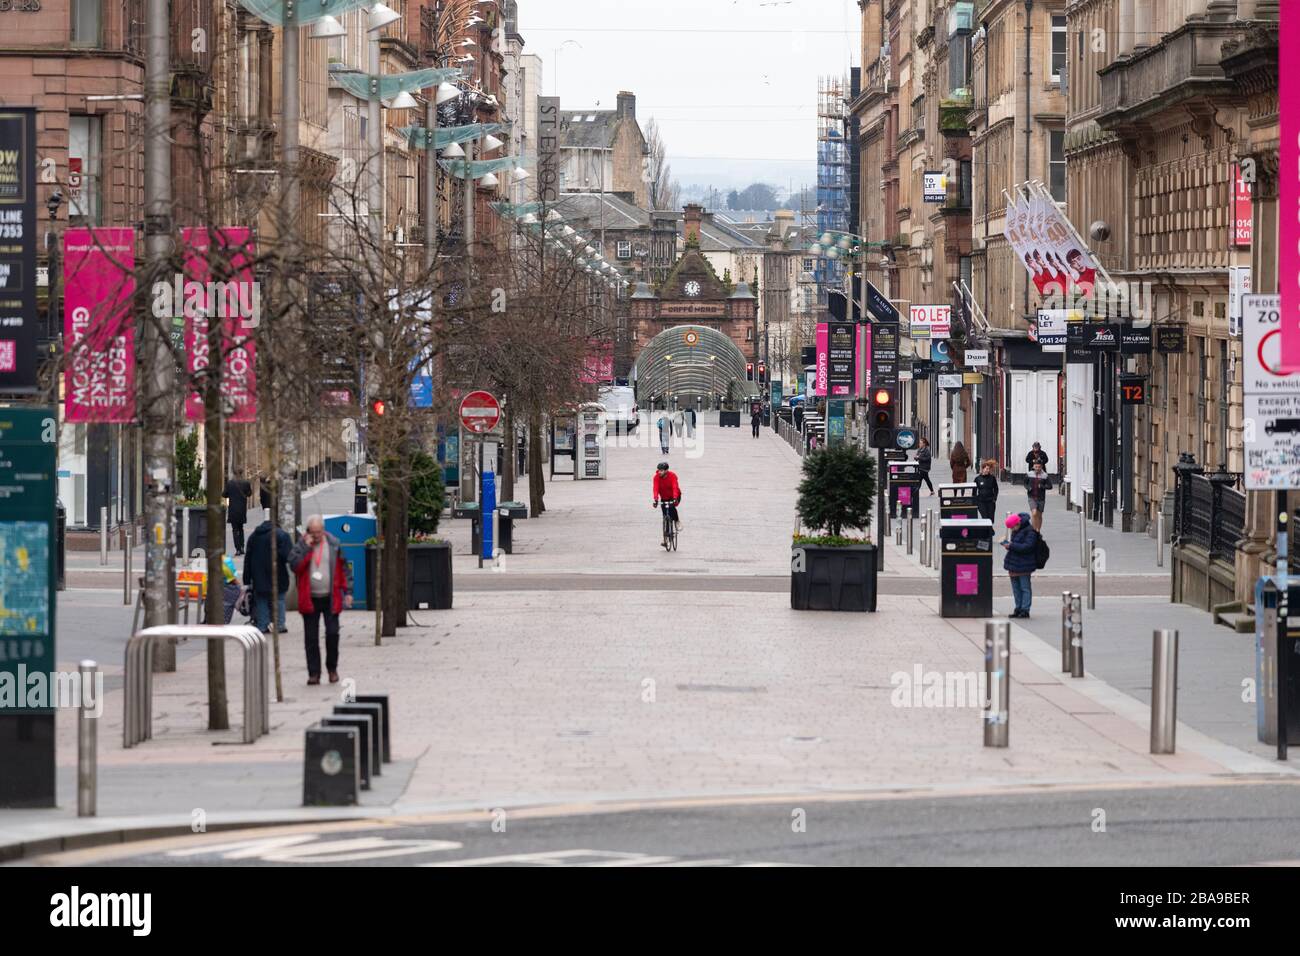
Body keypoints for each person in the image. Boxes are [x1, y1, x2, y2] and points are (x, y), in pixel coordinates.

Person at [289, 515, 353, 685]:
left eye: (318, 532)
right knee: (311, 638)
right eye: (313, 532)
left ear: (323, 530)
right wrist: (307, 550)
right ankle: (314, 673)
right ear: (308, 531)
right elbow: (294, 566)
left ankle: (332, 669)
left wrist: (348, 592)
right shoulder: (302, 545)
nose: (316, 536)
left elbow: (344, 568)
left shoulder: (333, 544)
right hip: (310, 599)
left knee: (332, 634)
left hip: (330, 597)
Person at [243, 514, 293, 634]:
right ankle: (280, 625)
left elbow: (247, 559)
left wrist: (247, 578)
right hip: (278, 573)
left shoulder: (254, 536)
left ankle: (262, 625)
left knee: (261, 600)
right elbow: (288, 556)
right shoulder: (281, 535)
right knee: (279, 599)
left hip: (258, 575)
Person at [1002, 512, 1040, 618]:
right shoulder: (1018, 530)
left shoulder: (1030, 531)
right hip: (1014, 564)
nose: (1012, 530)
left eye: (1012, 527)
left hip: (1024, 564)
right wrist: (1009, 545)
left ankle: (1025, 609)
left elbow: (1028, 547)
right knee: (1016, 588)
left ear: (1017, 523)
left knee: (1024, 587)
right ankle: (1018, 608)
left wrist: (1011, 545)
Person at [651, 461, 682, 548]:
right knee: (665, 516)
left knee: (672, 507)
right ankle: (666, 539)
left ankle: (677, 521)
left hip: (675, 496)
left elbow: (675, 487)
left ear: (666, 470)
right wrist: (655, 499)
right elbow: (655, 488)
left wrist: (675, 498)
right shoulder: (656, 477)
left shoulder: (672, 476)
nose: (659, 472)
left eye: (661, 470)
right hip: (664, 498)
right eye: (659, 470)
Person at [222, 475, 251, 555]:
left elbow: (224, 494)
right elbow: (249, 494)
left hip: (233, 510)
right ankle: (242, 547)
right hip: (242, 509)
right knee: (241, 528)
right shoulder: (246, 483)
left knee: (235, 529)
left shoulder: (230, 483)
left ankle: (237, 549)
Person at [1026, 460, 1053, 531]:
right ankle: (1034, 531)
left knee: (1039, 515)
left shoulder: (1045, 475)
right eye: (1036, 466)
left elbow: (1050, 486)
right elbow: (1025, 483)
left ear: (1041, 467)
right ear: (1033, 466)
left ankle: (1038, 530)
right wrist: (1028, 488)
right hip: (1031, 497)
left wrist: (1042, 486)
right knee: (1034, 513)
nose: (1037, 468)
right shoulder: (1029, 474)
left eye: (1039, 467)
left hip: (1041, 498)